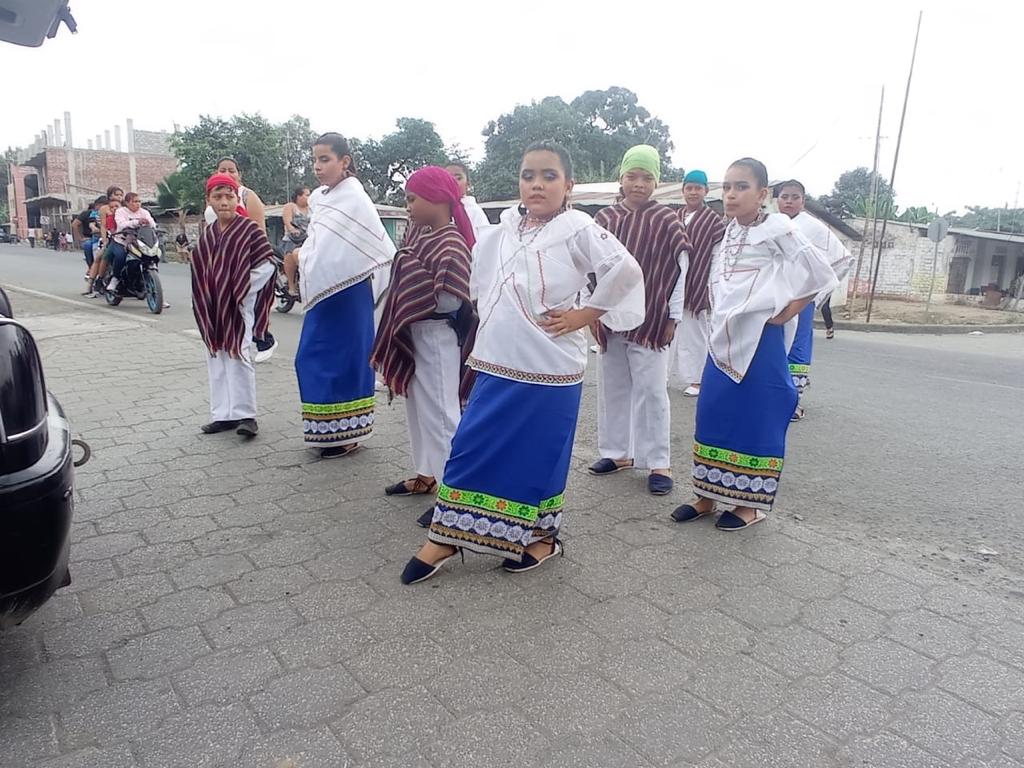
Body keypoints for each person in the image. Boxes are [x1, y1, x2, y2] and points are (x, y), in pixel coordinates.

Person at [400, 140, 645, 585]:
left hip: (550, 364)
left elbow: (625, 270)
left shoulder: (577, 227)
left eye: (549, 176)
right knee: (473, 441)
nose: (537, 184)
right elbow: (480, 284)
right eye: (528, 175)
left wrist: (585, 314)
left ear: (568, 185)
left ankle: (541, 537)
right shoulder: (504, 228)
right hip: (497, 358)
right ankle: (449, 534)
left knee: (541, 452)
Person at [670, 158, 836, 531]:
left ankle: (749, 505)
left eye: (741, 187)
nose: (731, 194)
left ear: (762, 194)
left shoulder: (777, 227)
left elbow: (820, 272)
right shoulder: (730, 230)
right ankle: (707, 495)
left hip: (761, 338)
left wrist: (788, 310)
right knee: (713, 411)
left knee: (756, 417)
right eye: (727, 187)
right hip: (722, 337)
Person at [371, 166, 476, 526]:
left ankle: (454, 497)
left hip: (437, 336)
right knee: (419, 411)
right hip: (418, 334)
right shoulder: (424, 237)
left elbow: (451, 300)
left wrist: (410, 273)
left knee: (443, 416)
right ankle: (426, 474)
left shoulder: (451, 242)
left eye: (413, 199)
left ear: (437, 198)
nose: (408, 206)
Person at [588, 144, 690, 496]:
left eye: (647, 178)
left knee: (652, 391)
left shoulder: (667, 220)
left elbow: (680, 271)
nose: (639, 184)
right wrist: (591, 311)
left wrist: (673, 316)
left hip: (652, 319)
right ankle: (618, 453)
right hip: (610, 317)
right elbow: (589, 267)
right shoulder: (605, 219)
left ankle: (659, 462)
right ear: (621, 178)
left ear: (656, 183)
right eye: (632, 176)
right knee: (613, 387)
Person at [296, 133, 396, 458]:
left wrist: (307, 259)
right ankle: (325, 431)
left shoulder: (355, 198)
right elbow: (318, 245)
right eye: (315, 160)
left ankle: (351, 434)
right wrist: (305, 259)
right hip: (322, 294)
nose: (318, 166)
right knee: (311, 357)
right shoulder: (321, 200)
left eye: (325, 159)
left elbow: (374, 248)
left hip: (350, 292)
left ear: (344, 161)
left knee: (349, 359)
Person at [191, 173, 276, 437]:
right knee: (216, 356)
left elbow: (267, 264)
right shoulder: (208, 234)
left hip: (238, 307)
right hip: (213, 308)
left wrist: (240, 289)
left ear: (236, 198)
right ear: (209, 200)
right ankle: (223, 415)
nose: (224, 202)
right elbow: (200, 270)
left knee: (239, 354)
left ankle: (246, 415)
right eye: (217, 197)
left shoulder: (249, 230)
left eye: (229, 196)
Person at [776, 180, 853, 420]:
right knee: (773, 347)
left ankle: (793, 401)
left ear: (803, 201)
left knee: (797, 347)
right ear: (776, 199)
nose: (789, 201)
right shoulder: (770, 224)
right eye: (784, 196)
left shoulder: (814, 228)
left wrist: (816, 292)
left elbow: (842, 260)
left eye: (795, 197)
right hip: (773, 299)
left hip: (801, 300)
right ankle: (772, 399)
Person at [204, 157, 277, 362]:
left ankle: (262, 340)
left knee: (243, 312)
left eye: (232, 170)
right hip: (220, 262)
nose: (227, 173)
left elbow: (258, 233)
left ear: (239, 174)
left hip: (245, 263)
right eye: (222, 170)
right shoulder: (213, 194)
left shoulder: (248, 196)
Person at [670, 169, 727, 396]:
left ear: (706, 191)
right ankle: (661, 375)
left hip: (697, 283)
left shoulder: (713, 221)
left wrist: (710, 285)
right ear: (683, 190)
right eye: (689, 188)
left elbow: (716, 256)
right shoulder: (675, 216)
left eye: (698, 188)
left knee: (694, 332)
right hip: (671, 282)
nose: (693, 192)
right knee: (667, 330)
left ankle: (697, 379)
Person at [106, 192, 156, 294]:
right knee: (120, 256)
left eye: (139, 201)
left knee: (152, 255)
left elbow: (152, 224)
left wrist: (150, 223)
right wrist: (137, 222)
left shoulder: (144, 212)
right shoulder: (121, 211)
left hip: (139, 242)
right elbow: (121, 225)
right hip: (121, 241)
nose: (138, 204)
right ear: (127, 203)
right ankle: (115, 278)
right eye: (135, 201)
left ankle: (149, 281)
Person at [84, 186, 124, 296]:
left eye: (121, 195)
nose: (119, 197)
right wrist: (105, 239)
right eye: (116, 194)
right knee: (100, 257)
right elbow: (103, 225)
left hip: (124, 237)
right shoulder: (104, 208)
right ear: (110, 196)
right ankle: (93, 283)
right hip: (109, 236)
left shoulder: (124, 207)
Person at [444, 162, 491, 236]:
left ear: (468, 184)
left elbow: (484, 240)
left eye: (458, 178)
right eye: (447, 178)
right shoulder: (440, 210)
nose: (452, 182)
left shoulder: (474, 212)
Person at [281, 186, 312, 298]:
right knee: (290, 255)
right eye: (307, 195)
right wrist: (293, 230)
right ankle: (291, 286)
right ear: (298, 196)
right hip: (293, 239)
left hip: (308, 239)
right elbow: (287, 222)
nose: (309, 197)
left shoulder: (312, 208)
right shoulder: (291, 206)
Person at [72, 196, 105, 279]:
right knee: (88, 245)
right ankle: (91, 268)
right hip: (91, 237)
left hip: (107, 236)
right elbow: (74, 224)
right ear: (97, 205)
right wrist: (80, 238)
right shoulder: (88, 214)